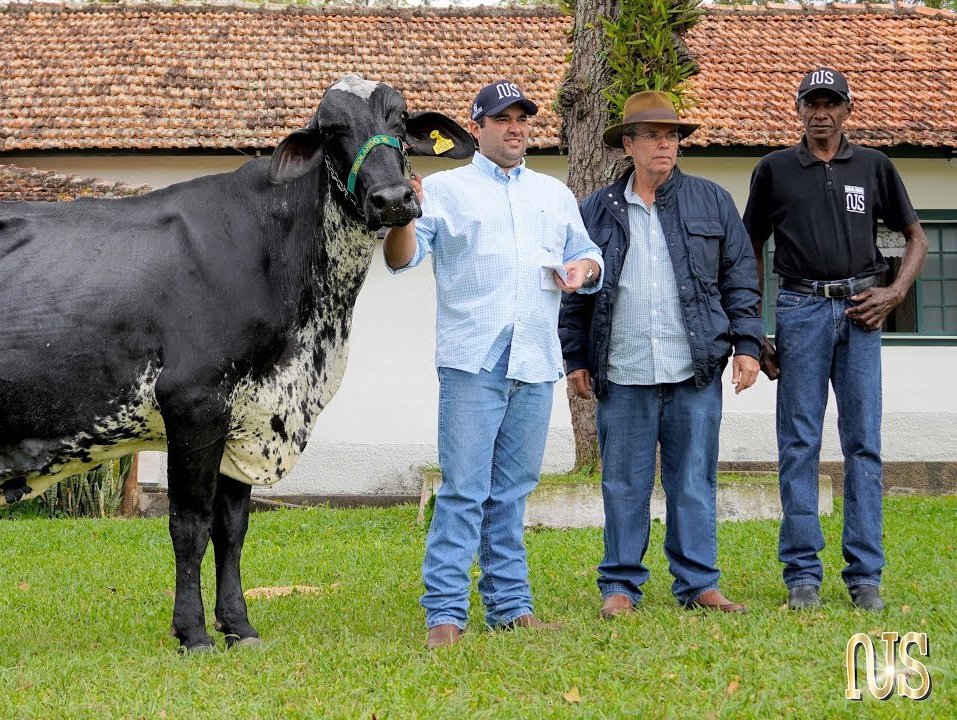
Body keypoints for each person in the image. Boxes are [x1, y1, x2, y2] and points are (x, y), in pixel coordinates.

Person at [384, 79, 603, 649]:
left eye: (522, 119)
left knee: (512, 492)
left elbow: (588, 253)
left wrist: (581, 272)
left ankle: (510, 605)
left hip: (534, 358)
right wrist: (407, 212)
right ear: (476, 128)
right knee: (463, 490)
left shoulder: (553, 194)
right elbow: (400, 260)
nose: (515, 128)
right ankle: (445, 614)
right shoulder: (446, 189)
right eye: (502, 119)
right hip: (472, 361)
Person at [559, 91, 763, 619]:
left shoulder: (712, 201)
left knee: (693, 479)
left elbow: (741, 278)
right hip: (623, 369)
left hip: (692, 368)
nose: (664, 145)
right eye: (651, 135)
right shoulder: (594, 210)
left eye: (671, 135)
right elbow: (574, 291)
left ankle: (699, 584)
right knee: (623, 483)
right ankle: (621, 588)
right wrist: (575, 357)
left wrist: (747, 345)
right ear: (627, 144)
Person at [743, 68, 929, 612]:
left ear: (848, 110)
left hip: (862, 312)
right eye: (811, 103)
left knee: (863, 444)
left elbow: (916, 237)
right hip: (799, 310)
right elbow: (749, 246)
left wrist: (893, 293)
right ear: (797, 109)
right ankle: (803, 575)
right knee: (798, 444)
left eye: (832, 103)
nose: (821, 112)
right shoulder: (774, 169)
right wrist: (754, 327)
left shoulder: (874, 166)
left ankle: (865, 575)